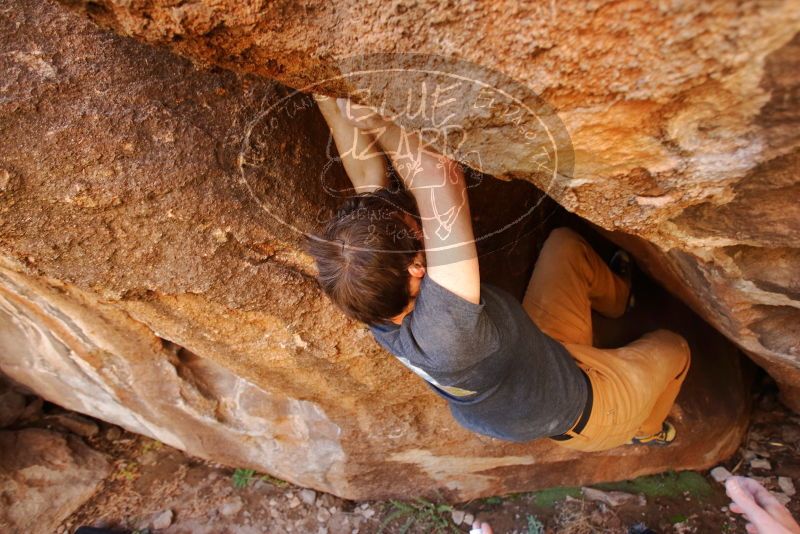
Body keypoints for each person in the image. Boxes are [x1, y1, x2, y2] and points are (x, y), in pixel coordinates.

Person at [308, 94, 691, 452]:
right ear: (417, 268)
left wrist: (330, 96)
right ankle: (646, 429)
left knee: (565, 245)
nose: (413, 220)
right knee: (677, 348)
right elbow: (439, 176)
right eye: (413, 230)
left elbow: (367, 180)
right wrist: (379, 121)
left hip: (541, 358)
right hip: (585, 407)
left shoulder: (365, 292)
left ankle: (621, 298)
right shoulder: (449, 328)